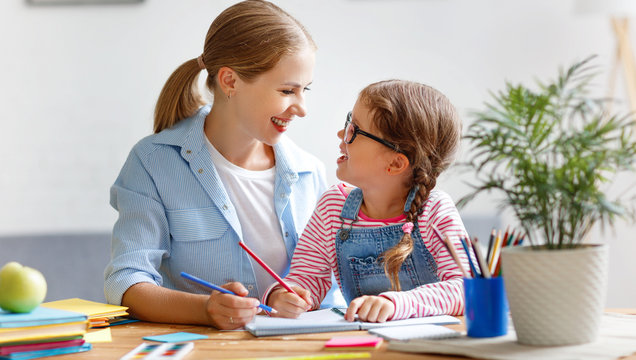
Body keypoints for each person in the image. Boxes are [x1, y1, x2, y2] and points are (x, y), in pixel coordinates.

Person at [104, 0, 333, 330]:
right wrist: (206, 309)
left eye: (305, 90)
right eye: (287, 90)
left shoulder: (309, 172)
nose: (301, 107)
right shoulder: (153, 161)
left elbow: (330, 285)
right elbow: (125, 282)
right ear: (230, 82)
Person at [265, 79, 470, 322]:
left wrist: (395, 304)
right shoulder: (333, 207)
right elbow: (306, 278)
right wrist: (284, 296)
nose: (342, 134)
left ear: (395, 163)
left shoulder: (434, 210)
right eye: (348, 122)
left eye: (355, 130)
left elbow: (465, 289)